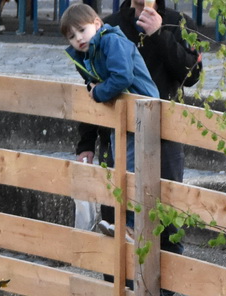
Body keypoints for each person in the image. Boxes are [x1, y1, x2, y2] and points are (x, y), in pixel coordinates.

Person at [75, 0, 202, 253]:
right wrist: (86, 144)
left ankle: (164, 293)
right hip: (115, 134)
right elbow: (92, 86)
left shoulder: (178, 22)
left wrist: (160, 34)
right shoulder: (108, 25)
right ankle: (118, 288)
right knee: (114, 219)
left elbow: (192, 74)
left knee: (165, 220)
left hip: (164, 137)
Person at [63, 2, 159, 242]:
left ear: (97, 23)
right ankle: (124, 225)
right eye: (72, 36)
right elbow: (93, 81)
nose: (78, 39)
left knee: (132, 171)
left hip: (142, 109)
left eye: (82, 30)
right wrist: (93, 88)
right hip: (123, 114)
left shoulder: (111, 41)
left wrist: (97, 92)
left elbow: (122, 76)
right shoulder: (88, 54)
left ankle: (132, 227)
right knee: (121, 170)